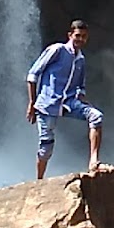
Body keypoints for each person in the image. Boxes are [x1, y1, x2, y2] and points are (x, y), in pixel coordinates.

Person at [25, 19, 103, 178]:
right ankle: (39, 180)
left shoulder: (81, 59)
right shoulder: (57, 50)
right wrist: (32, 103)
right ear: (70, 35)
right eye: (77, 36)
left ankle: (93, 160)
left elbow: (80, 85)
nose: (80, 39)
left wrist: (82, 98)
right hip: (47, 104)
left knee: (96, 116)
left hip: (69, 102)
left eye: (84, 37)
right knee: (46, 148)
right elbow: (33, 75)